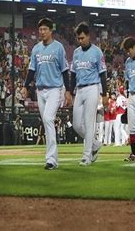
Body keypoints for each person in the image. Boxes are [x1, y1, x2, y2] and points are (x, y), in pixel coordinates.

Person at [22, 17, 71, 170]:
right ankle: (51, 158)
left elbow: (64, 71)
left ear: (51, 31)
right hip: (40, 90)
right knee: (46, 121)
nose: (42, 32)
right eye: (40, 29)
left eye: (45, 29)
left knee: (49, 119)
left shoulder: (58, 47)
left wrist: (68, 91)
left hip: (55, 89)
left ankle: (51, 159)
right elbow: (32, 70)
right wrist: (25, 86)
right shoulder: (36, 49)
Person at [70, 22, 107, 166]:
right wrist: (70, 92)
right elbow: (73, 75)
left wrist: (104, 94)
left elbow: (103, 74)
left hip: (93, 87)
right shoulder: (76, 52)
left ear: (88, 36)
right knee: (77, 124)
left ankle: (86, 156)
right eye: (78, 38)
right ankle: (95, 144)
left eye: (82, 38)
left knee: (89, 122)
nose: (80, 41)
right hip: (79, 89)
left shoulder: (97, 52)